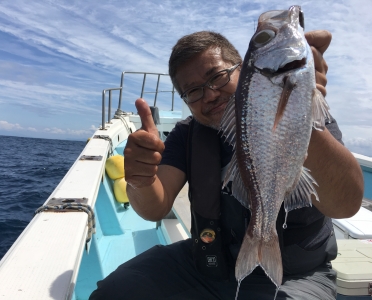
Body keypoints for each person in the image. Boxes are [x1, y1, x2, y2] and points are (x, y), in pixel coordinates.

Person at [89, 30, 364, 299]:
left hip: (295, 276)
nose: (209, 95)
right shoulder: (187, 134)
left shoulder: (309, 119)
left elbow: (346, 205)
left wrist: (298, 110)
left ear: (244, 70)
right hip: (206, 265)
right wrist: (140, 179)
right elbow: (154, 208)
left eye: (218, 77)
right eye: (193, 91)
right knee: (112, 292)